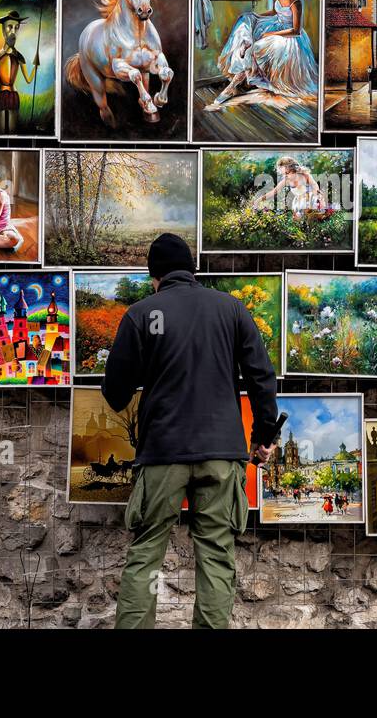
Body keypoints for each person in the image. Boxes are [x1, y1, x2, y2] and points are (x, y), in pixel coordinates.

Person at [103, 233, 279, 629]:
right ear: (192, 271)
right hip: (221, 452)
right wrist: (264, 437)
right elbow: (261, 378)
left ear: (154, 277)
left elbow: (115, 394)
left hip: (163, 451)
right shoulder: (232, 310)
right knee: (217, 554)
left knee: (146, 554)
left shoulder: (141, 314)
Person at [208, 0, 318, 110]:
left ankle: (233, 86)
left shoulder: (296, 3)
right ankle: (235, 78)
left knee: (256, 49)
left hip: (288, 34)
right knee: (246, 19)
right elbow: (274, 12)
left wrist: (272, 34)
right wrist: (258, 16)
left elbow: (295, 30)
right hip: (275, 24)